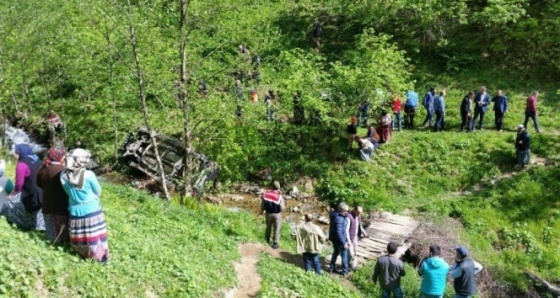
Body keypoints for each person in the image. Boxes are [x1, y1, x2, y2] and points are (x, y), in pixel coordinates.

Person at [61, 149, 109, 262]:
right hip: (92, 209)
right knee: (95, 235)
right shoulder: (89, 175)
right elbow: (97, 191)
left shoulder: (63, 176)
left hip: (74, 209)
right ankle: (100, 258)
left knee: (80, 235)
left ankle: (82, 254)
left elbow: (67, 191)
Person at [0, 144, 45, 231]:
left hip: (29, 195)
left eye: (16, 152)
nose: (14, 154)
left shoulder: (21, 165)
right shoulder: (37, 159)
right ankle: (39, 227)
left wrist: (12, 194)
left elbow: (19, 185)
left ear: (22, 152)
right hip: (42, 194)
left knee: (9, 202)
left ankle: (21, 224)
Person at [38, 147, 70, 245]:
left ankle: (54, 241)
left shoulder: (43, 169)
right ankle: (63, 243)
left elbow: (39, 184)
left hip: (47, 203)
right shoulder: (63, 171)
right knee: (63, 227)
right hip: (61, 205)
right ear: (60, 157)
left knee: (51, 226)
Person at [328, 202, 350, 277]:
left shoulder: (334, 214)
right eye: (345, 211)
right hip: (339, 240)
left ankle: (331, 268)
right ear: (341, 210)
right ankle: (345, 272)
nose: (346, 213)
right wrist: (344, 243)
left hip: (333, 238)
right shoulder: (340, 219)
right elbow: (339, 232)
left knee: (335, 252)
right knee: (344, 255)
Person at [261, 181, 285, 249]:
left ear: (272, 187)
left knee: (268, 227)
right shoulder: (279, 196)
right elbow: (282, 208)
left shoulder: (266, 194)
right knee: (277, 228)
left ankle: (267, 239)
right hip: (277, 214)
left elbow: (262, 205)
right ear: (278, 188)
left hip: (268, 213)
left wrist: (262, 210)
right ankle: (275, 243)